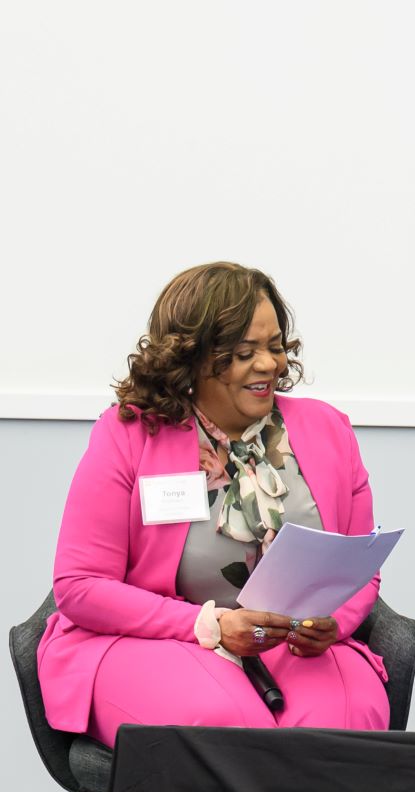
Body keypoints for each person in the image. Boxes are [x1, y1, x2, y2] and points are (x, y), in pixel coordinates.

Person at [38, 263, 391, 747]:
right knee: (227, 730)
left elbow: (360, 567)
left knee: (343, 725)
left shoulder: (329, 429)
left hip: (288, 646)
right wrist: (211, 625)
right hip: (157, 640)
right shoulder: (129, 434)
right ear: (192, 357)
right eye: (245, 353)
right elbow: (80, 586)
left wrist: (333, 623)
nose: (268, 365)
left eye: (274, 347)